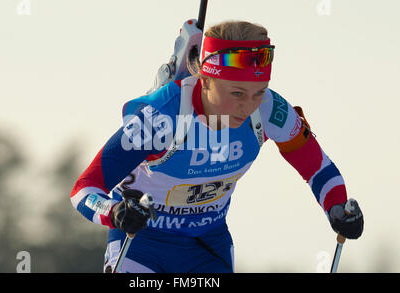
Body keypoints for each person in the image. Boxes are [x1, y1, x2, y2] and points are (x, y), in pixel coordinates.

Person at [70, 20, 364, 273]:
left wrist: (337, 208)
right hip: (141, 243)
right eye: (237, 93)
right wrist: (115, 211)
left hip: (205, 246)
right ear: (206, 80)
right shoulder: (161, 119)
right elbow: (84, 188)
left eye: (258, 92)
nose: (248, 106)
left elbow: (317, 167)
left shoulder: (271, 110)